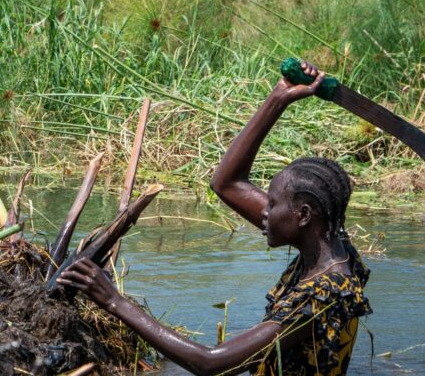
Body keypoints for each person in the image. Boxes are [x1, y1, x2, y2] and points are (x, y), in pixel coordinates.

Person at [58, 61, 372, 375]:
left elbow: (212, 363)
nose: (264, 211)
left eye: (272, 203)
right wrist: (280, 96)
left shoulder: (324, 295)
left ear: (302, 215)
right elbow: (228, 184)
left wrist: (114, 301)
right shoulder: (328, 247)